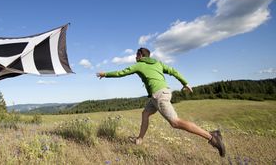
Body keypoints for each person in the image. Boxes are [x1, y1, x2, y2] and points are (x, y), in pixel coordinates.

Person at [96, 47, 225, 157]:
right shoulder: (158, 63)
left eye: (136, 55)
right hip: (161, 94)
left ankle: (212, 137)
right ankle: (139, 140)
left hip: (159, 96)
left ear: (140, 55)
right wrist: (185, 83)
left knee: (175, 122)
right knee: (145, 113)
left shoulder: (139, 64)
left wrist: (105, 74)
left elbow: (121, 72)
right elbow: (173, 71)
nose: (135, 57)